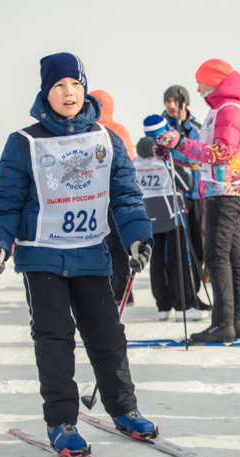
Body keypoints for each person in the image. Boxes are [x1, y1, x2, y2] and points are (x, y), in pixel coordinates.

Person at [0, 52, 156, 455]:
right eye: (59, 85)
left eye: (75, 85)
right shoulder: (23, 142)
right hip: (42, 255)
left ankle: (125, 410)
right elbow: (5, 202)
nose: (68, 93)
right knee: (54, 339)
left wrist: (136, 237)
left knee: (107, 335)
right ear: (46, 92)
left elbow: (127, 198)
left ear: (85, 89)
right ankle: (61, 421)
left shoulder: (106, 140)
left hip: (92, 253)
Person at [155, 58, 240, 342]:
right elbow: (207, 159)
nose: (197, 87)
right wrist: (175, 154)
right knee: (231, 256)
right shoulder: (219, 109)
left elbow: (221, 153)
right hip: (220, 188)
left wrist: (181, 143)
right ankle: (234, 323)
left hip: (225, 191)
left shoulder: (229, 110)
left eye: (200, 81)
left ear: (214, 79)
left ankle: (223, 323)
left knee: (217, 256)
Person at [138, 116, 206, 322]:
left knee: (156, 260)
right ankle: (183, 305)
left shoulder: (136, 160)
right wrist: (173, 165)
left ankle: (163, 306)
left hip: (149, 216)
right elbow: (186, 185)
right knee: (178, 259)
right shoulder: (165, 158)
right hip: (171, 214)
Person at [162, 86, 209, 309]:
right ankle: (179, 298)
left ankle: (194, 294)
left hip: (195, 195)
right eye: (167, 101)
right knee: (175, 251)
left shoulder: (198, 128)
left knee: (197, 250)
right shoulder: (159, 126)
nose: (171, 106)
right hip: (170, 197)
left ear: (185, 104)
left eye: (175, 101)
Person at [90, 89, 136, 305]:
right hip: (89, 197)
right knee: (98, 244)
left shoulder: (117, 130)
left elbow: (128, 160)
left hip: (111, 195)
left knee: (115, 244)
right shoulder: (83, 131)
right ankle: (104, 286)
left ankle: (123, 290)